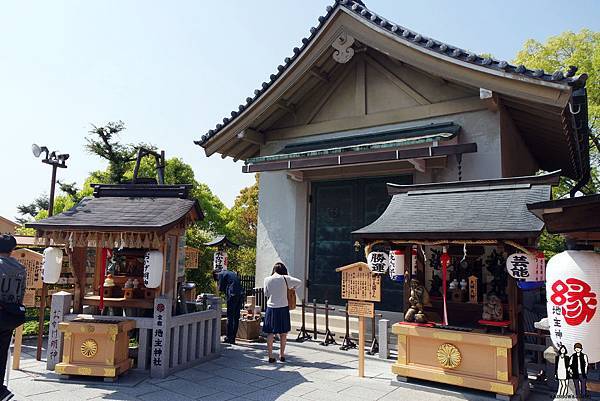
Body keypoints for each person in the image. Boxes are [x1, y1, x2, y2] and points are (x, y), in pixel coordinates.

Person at [0, 235, 27, 401]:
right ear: (12, 250)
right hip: (10, 315)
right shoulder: (20, 268)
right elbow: (21, 292)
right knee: (2, 353)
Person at [263, 262, 301, 363]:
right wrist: (292, 288)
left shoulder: (267, 279)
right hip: (283, 307)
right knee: (283, 333)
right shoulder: (285, 278)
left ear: (273, 270)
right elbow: (299, 282)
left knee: (270, 333)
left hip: (271, 308)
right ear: (283, 270)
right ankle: (282, 355)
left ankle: (270, 356)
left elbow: (266, 293)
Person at [214, 269, 244, 344]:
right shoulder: (230, 273)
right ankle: (233, 337)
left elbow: (221, 289)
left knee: (230, 316)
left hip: (233, 295)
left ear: (215, 275)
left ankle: (229, 337)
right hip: (240, 294)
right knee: (236, 316)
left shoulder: (220, 274)